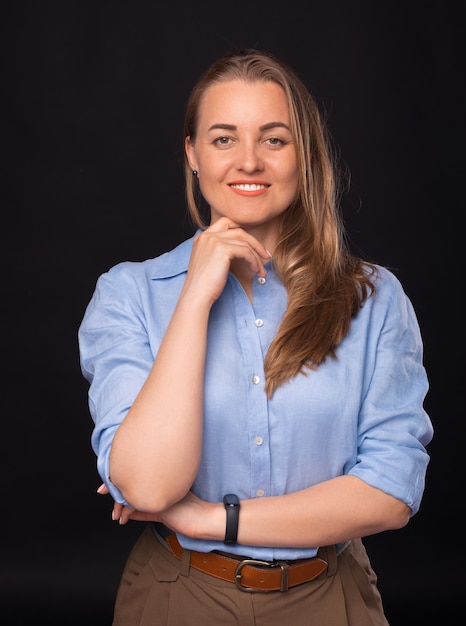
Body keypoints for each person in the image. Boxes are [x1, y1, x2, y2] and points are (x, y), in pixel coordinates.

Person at [78, 48, 433, 625]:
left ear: (305, 155)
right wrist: (195, 298)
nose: (249, 161)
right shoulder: (129, 294)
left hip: (330, 597)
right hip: (179, 595)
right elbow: (146, 484)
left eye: (274, 139)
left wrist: (210, 519)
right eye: (223, 139)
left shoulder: (374, 297)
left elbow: (390, 493)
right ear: (192, 154)